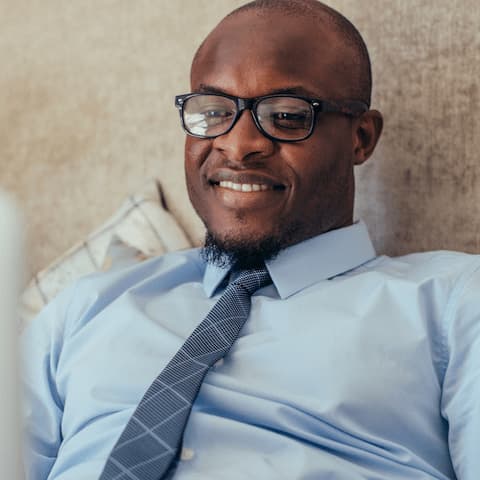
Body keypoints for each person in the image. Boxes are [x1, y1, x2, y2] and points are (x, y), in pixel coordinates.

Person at [22, 1, 480, 479]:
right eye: (214, 111)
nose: (238, 145)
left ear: (360, 139)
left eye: (285, 116)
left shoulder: (454, 304)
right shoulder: (82, 310)